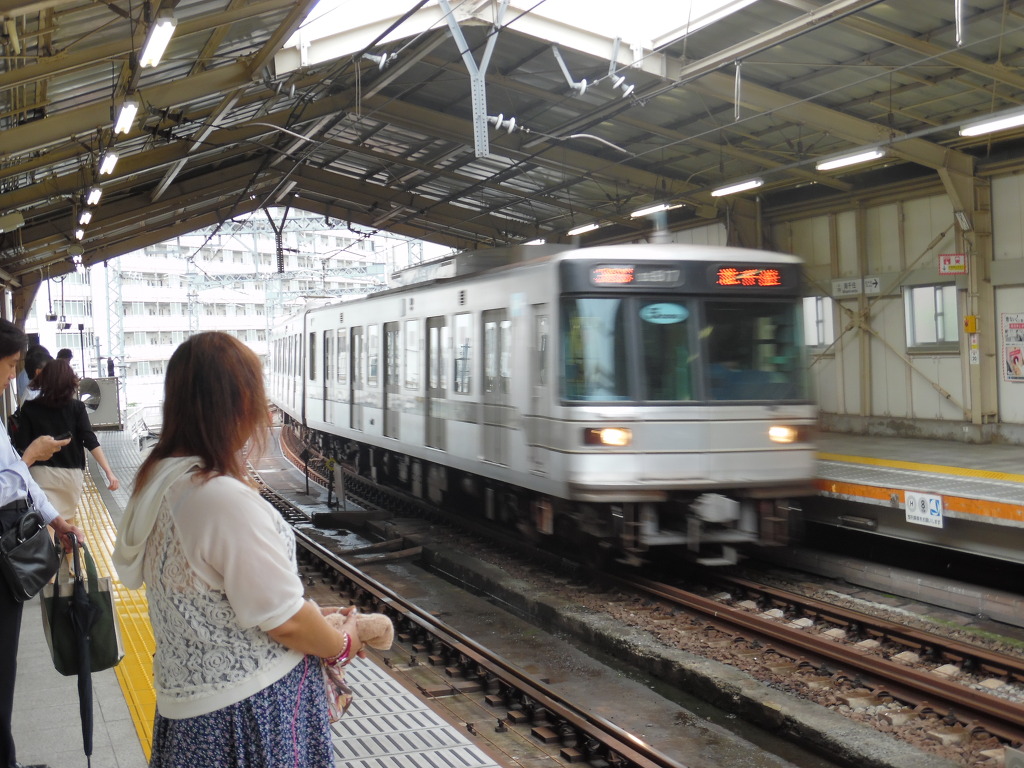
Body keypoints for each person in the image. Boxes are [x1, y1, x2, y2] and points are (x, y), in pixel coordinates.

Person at [112, 332, 364, 768]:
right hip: (247, 715)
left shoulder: (160, 480)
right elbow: (286, 623)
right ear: (242, 403)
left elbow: (213, 596)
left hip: (191, 713)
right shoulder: (219, 497)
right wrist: (342, 643)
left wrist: (305, 613)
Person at [0, 319, 83, 768]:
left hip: (9, 540)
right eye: (10, 364)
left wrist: (57, 521)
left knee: (5, 663)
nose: (13, 375)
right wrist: (31, 455)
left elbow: (17, 476)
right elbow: (16, 473)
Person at [14, 359, 119, 523]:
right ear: (70, 382)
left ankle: (49, 540)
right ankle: (70, 540)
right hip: (71, 476)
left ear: (44, 380)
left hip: (39, 474)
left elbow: (21, 445)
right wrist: (108, 472)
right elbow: (90, 441)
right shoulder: (77, 408)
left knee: (46, 522)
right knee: (68, 524)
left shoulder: (29, 408)